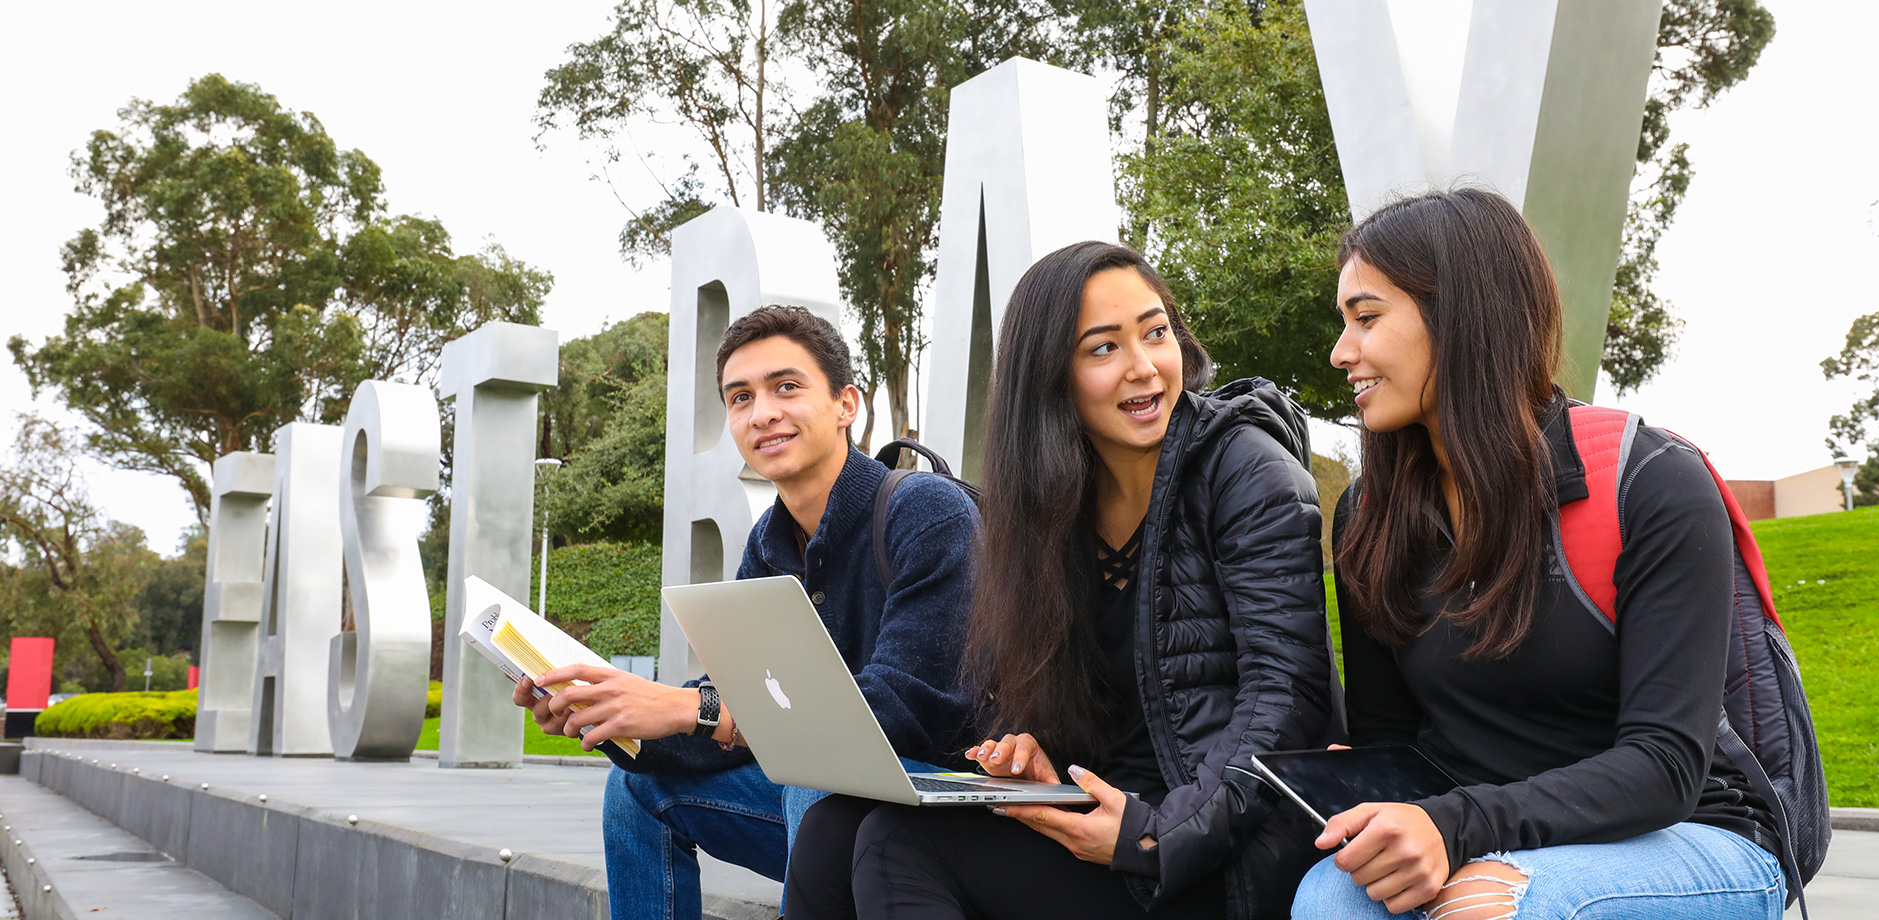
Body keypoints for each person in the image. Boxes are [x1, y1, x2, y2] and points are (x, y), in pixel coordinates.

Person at [784, 241, 1340, 920]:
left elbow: (1286, 702)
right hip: (1111, 811)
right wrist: (1030, 748)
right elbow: (1080, 703)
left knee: (900, 846)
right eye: (1103, 348)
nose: (1144, 368)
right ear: (1051, 377)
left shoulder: (1246, 472)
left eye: (1155, 332)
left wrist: (1152, 834)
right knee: (831, 831)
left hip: (1227, 842)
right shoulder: (1052, 505)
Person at [1293, 188, 1787, 920]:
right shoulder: (1370, 514)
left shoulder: (1650, 483)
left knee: (1494, 909)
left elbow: (1665, 766)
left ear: (1460, 315)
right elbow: (1393, 739)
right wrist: (1372, 789)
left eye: (1366, 318)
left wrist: (1457, 826)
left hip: (1687, 836)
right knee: (1330, 902)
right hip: (1481, 832)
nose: (1342, 352)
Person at [514, 305, 980, 920]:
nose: (762, 413)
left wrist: (693, 707)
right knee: (635, 788)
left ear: (847, 405)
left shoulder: (927, 512)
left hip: (956, 821)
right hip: (834, 819)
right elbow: (733, 715)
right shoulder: (769, 543)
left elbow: (900, 712)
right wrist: (614, 717)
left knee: (818, 777)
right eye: (740, 397)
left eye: (786, 387)